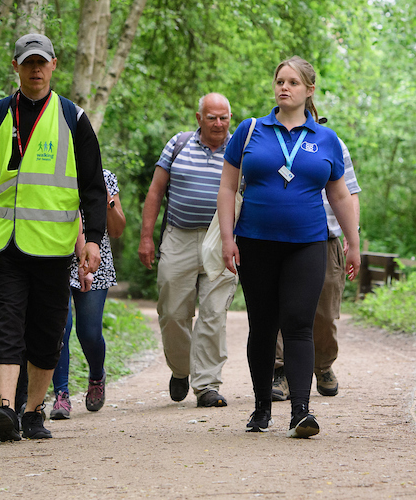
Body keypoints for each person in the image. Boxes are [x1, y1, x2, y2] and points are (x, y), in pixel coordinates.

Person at [0, 33, 107, 442]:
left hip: (54, 247)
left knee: (46, 333)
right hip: (3, 246)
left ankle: (33, 411)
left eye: (42, 62)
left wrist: (92, 239)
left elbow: (93, 187)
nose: (36, 69)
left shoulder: (73, 118)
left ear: (54, 65)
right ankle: (5, 409)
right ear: (16, 66)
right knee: (5, 325)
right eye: (28, 63)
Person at [217, 57, 359, 439]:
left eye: (293, 82)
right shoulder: (250, 131)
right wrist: (228, 239)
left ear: (309, 90)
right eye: (280, 81)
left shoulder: (326, 139)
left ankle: (301, 412)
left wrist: (354, 243)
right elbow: (228, 187)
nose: (284, 87)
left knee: (298, 324)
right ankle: (262, 407)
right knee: (262, 326)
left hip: (307, 244)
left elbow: (341, 194)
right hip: (255, 243)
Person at [138, 93, 239, 408]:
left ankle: (207, 384)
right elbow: (156, 191)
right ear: (199, 118)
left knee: (214, 312)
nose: (219, 124)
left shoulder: (240, 150)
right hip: (178, 237)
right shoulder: (178, 144)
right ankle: (181, 370)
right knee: (172, 312)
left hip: (221, 239)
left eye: (224, 117)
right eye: (212, 117)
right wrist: (146, 237)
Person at [272, 136, 360, 402]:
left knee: (325, 311)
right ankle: (280, 370)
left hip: (327, 236)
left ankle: (322, 365)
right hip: (279, 235)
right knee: (279, 307)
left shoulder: (332, 142)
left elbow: (350, 191)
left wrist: (351, 232)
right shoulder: (271, 139)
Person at [49, 169, 125, 418]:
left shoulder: (104, 176)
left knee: (89, 332)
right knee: (60, 328)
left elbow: (116, 230)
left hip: (94, 261)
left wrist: (107, 198)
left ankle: (96, 376)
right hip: (55, 258)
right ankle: (61, 395)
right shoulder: (51, 171)